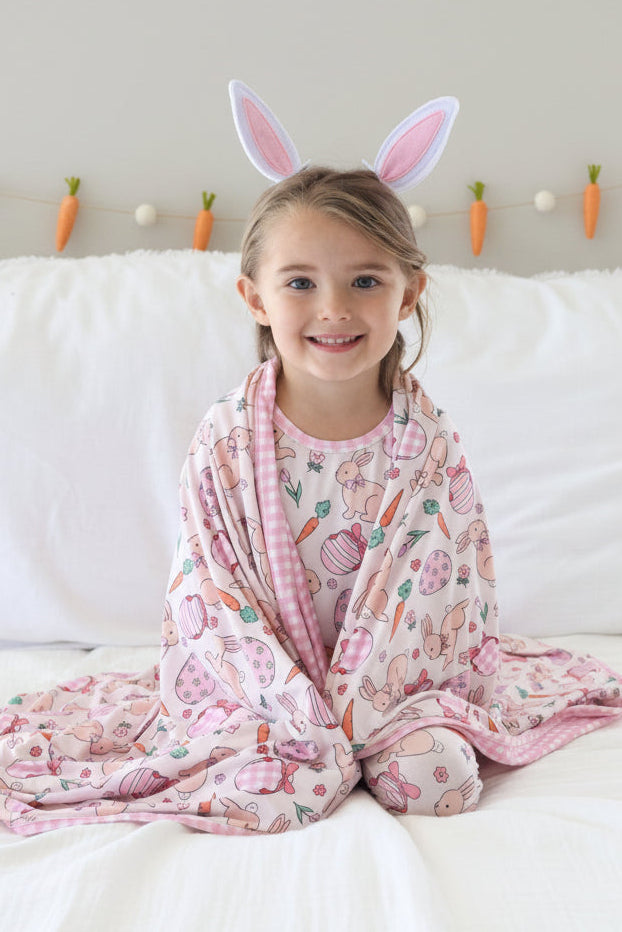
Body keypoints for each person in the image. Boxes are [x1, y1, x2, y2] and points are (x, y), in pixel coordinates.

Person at [0, 82, 620, 836]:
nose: (334, 308)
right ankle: (312, 745)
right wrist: (300, 710)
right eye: (300, 283)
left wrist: (363, 709)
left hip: (398, 690)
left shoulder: (424, 441)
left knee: (440, 783)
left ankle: (362, 742)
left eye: (366, 281)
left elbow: (445, 594)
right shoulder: (227, 439)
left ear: (409, 293)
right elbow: (212, 598)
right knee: (283, 789)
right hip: (259, 694)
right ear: (255, 297)